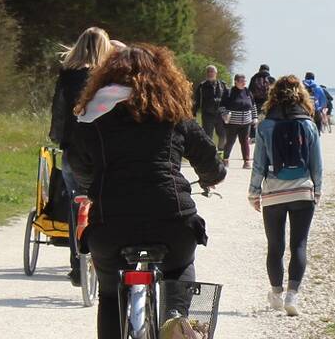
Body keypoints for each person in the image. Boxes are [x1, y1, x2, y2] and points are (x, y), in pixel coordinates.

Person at [63, 44, 227, 339]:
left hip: (111, 223)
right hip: (171, 218)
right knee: (179, 267)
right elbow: (209, 161)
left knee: (111, 295)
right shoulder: (174, 113)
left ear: (106, 77)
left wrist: (93, 185)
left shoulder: (91, 116)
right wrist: (212, 177)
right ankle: (176, 318)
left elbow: (77, 163)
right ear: (164, 77)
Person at [249, 76, 324, 317]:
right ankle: (293, 295)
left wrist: (254, 192)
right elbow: (317, 164)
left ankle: (276, 294)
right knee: (299, 244)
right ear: (301, 95)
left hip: (273, 192)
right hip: (303, 190)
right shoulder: (309, 124)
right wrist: (317, 190)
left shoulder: (266, 125)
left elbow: (259, 163)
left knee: (275, 245)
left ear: (274, 95)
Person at [49, 27, 113, 285]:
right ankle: (104, 260)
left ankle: (78, 265)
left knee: (77, 206)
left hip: (73, 151)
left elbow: (59, 112)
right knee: (105, 203)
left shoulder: (67, 74)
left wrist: (61, 138)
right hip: (102, 150)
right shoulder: (107, 76)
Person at [219, 73, 258, 168]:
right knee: (230, 141)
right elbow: (221, 106)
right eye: (241, 81)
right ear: (235, 81)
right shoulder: (229, 92)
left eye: (244, 81)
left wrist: (255, 118)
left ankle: (246, 162)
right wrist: (225, 115)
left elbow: (253, 106)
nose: (243, 83)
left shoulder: (248, 92)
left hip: (246, 123)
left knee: (244, 141)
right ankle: (225, 160)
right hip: (232, 123)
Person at [193, 65, 229, 149]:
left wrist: (228, 112)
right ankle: (210, 155)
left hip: (221, 115)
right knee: (207, 136)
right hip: (207, 115)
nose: (210, 73)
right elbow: (197, 101)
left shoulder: (223, 85)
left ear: (216, 73)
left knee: (223, 135)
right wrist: (193, 113)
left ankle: (220, 153)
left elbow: (228, 99)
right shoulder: (201, 86)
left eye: (212, 71)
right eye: (208, 72)